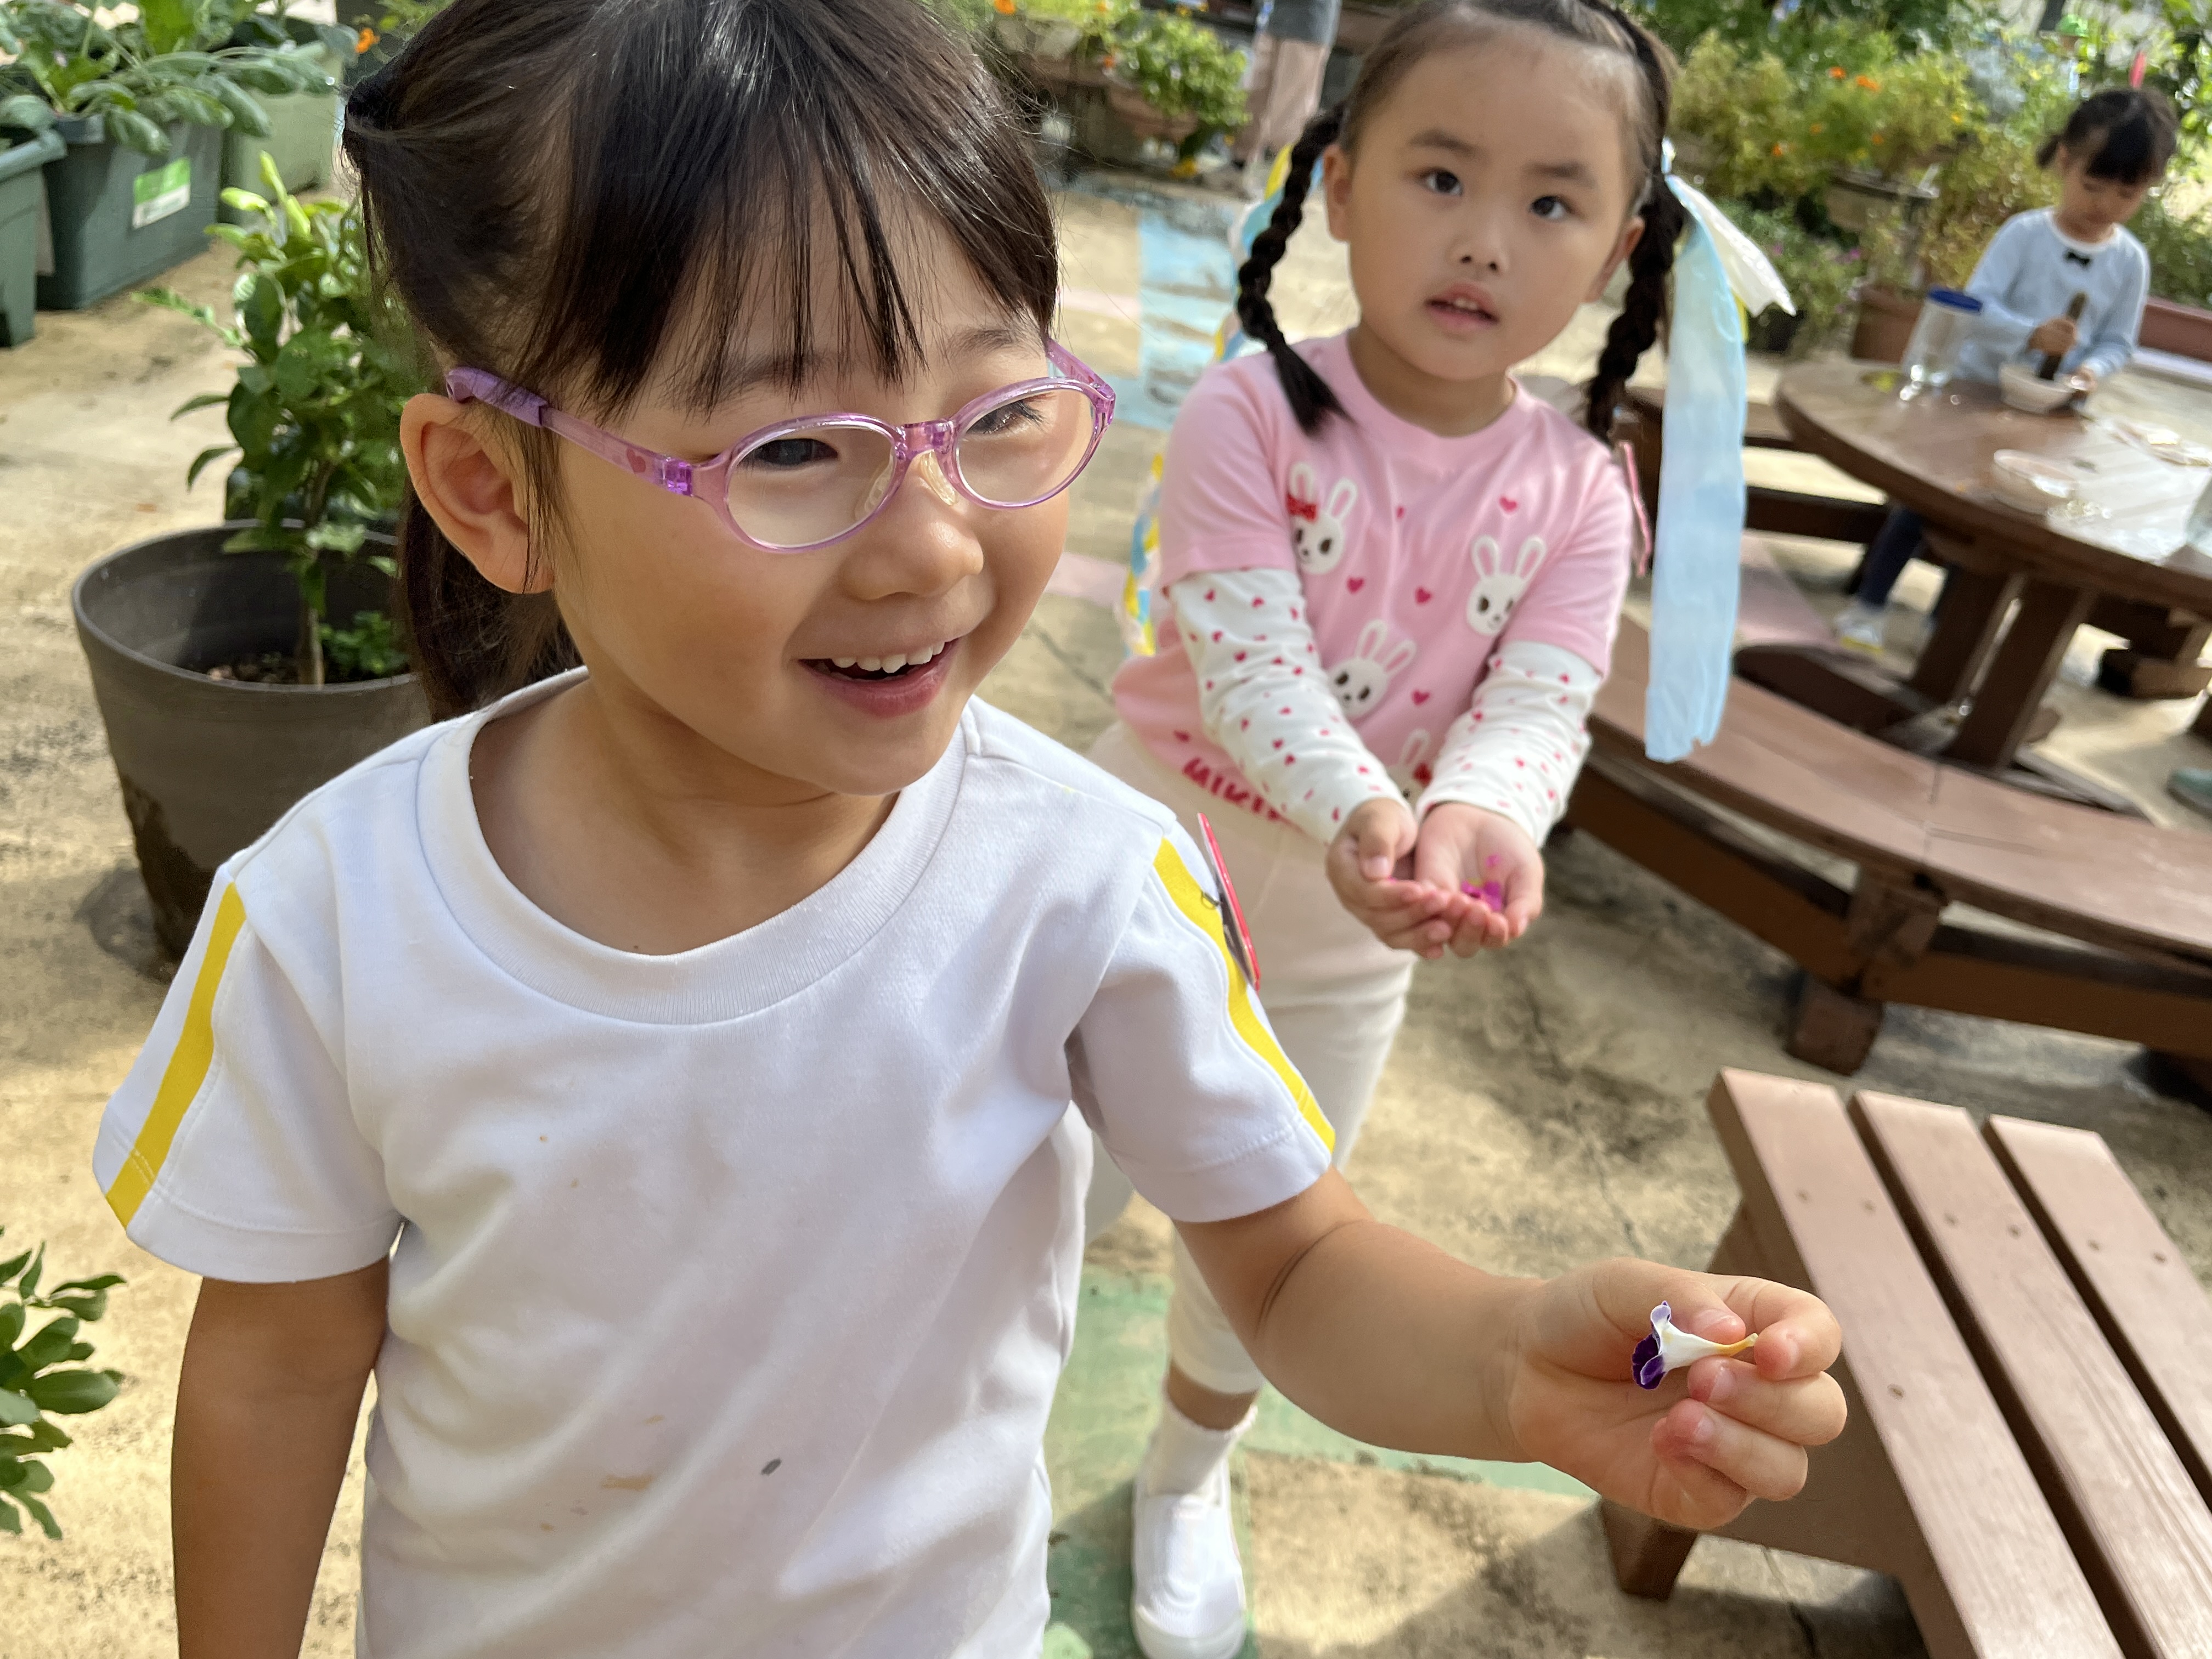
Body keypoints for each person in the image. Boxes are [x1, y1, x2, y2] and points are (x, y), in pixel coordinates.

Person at [91, 2, 1843, 1655]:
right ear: (493, 487)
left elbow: (1297, 1266)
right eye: (792, 449)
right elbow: (276, 1369)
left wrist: (1508, 1360)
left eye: (999, 415)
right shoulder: (335, 916)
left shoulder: (1084, 880)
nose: (934, 544)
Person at [1100, 3, 1712, 1653]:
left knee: (1274, 1226)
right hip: (1142, 863)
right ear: (1342, 184)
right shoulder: (1249, 412)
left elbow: (1540, 702)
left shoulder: (1583, 492)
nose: (1485, 238)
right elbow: (1248, 663)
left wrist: (1478, 819)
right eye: (1442, 175)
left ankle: (1184, 1477)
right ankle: (963, 1423)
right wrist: (1378, 810)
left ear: (1619, 249)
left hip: (1350, 937)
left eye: (1551, 200)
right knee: (1045, 1175)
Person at [1835, 86, 2176, 654]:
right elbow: (1977, 306)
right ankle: (1868, 605)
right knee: (1927, 502)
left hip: (2049, 417)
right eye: (2093, 186)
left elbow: (2119, 342)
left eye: (2127, 194)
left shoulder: (2129, 261)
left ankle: (1945, 630)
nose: (2106, 206)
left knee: (1998, 524)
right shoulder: (2026, 234)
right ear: (2065, 162)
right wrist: (2029, 333)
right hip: (1977, 395)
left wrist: (2091, 372)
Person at [1231, 0, 1342, 192]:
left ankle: (1285, 187)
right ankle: (1237, 166)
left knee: (1291, 112)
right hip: (1274, 19)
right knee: (1253, 95)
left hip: (1308, 26)